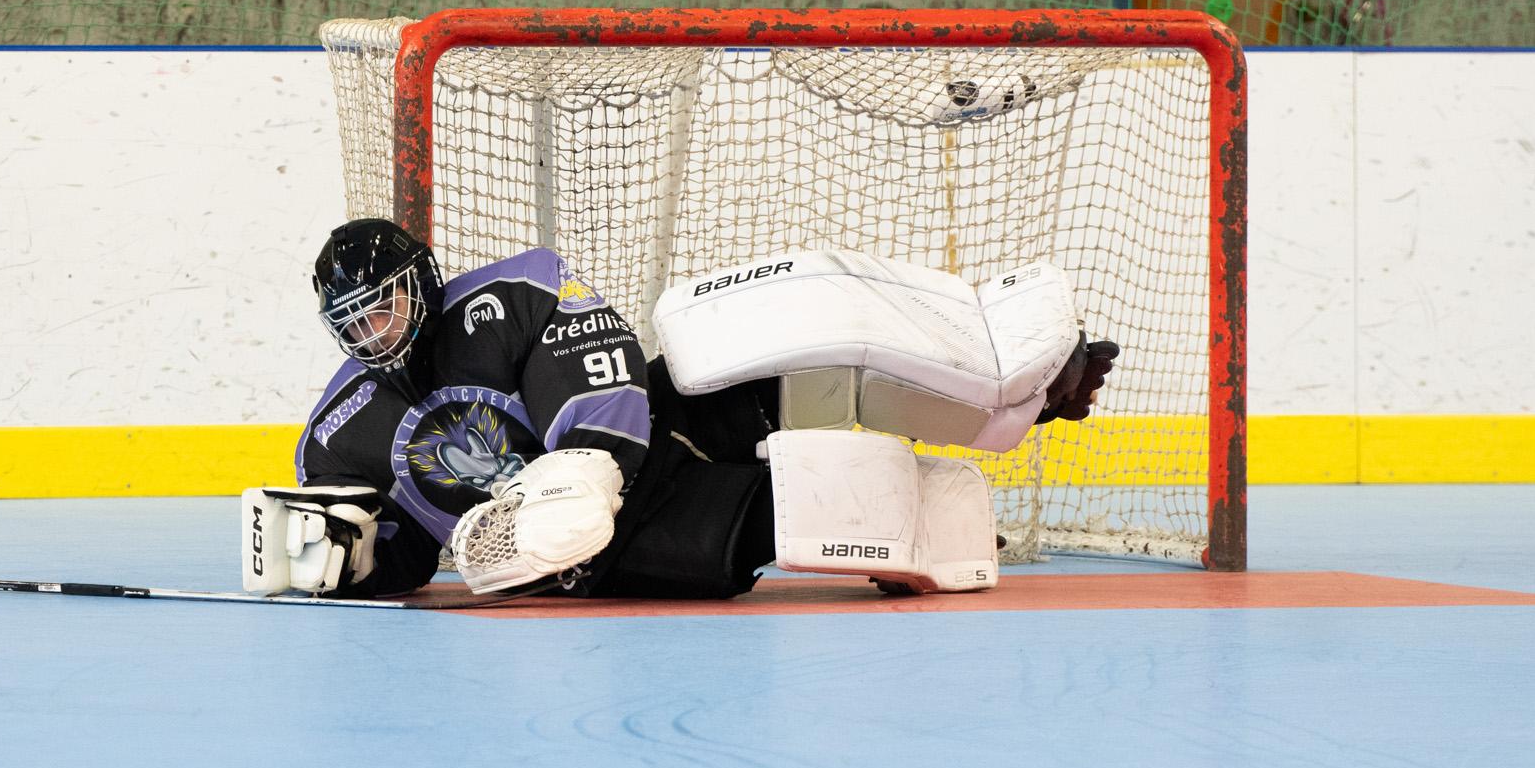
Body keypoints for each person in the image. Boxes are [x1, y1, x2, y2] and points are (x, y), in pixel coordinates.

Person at [240, 219, 1115, 602]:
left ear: (421, 283)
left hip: (645, 437)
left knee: (778, 352)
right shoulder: (339, 428)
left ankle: (1017, 389)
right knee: (796, 516)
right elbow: (405, 556)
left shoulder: (503, 298)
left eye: (384, 305)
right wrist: (349, 564)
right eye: (353, 320)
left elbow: (594, 359)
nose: (374, 331)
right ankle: (944, 517)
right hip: (612, 551)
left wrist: (578, 463)